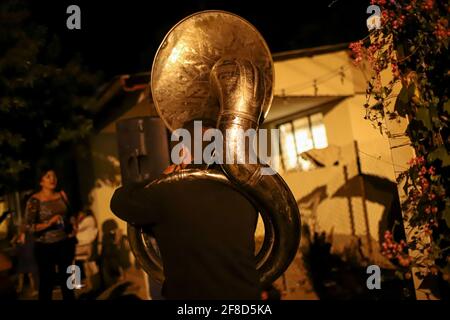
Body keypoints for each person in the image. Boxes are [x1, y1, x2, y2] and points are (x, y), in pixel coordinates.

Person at [111, 123, 261, 300]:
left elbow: (119, 201)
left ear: (184, 151)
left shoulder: (169, 193)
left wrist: (162, 179)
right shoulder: (245, 193)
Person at [25, 167, 76, 300]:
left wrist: (73, 227)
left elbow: (71, 215)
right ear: (41, 181)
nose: (52, 179)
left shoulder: (62, 195)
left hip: (64, 243)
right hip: (44, 246)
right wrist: (49, 223)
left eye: (54, 176)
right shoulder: (34, 200)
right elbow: (29, 227)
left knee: (68, 279)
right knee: (47, 281)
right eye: (48, 176)